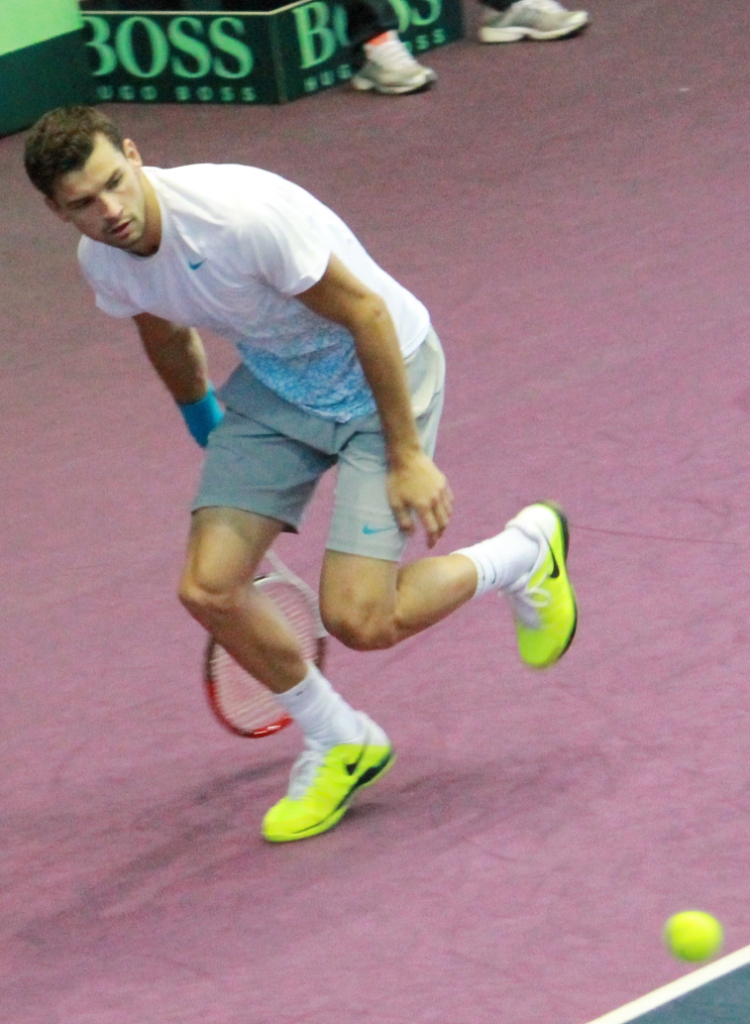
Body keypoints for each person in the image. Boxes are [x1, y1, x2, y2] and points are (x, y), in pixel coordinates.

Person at [24, 106, 578, 843]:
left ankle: (523, 554)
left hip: (381, 372)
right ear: (57, 210)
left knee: (361, 621)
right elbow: (162, 328)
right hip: (279, 385)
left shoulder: (236, 219)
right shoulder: (105, 260)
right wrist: (204, 419)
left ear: (133, 153)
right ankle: (341, 739)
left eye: (114, 183)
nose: (111, 211)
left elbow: (368, 315)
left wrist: (407, 455)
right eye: (84, 204)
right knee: (208, 587)